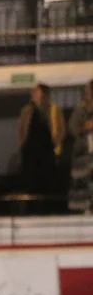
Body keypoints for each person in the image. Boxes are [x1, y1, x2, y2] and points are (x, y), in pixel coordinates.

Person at [18, 83, 65, 196]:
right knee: (31, 184)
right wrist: (22, 145)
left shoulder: (54, 110)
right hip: (30, 153)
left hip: (47, 152)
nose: (33, 93)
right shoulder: (27, 110)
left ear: (43, 93)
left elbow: (61, 130)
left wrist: (56, 143)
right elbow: (21, 130)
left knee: (48, 183)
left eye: (36, 91)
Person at [68, 79, 93, 213]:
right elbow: (72, 128)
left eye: (88, 90)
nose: (86, 93)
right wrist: (85, 127)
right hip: (83, 154)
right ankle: (83, 209)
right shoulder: (80, 109)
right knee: (83, 183)